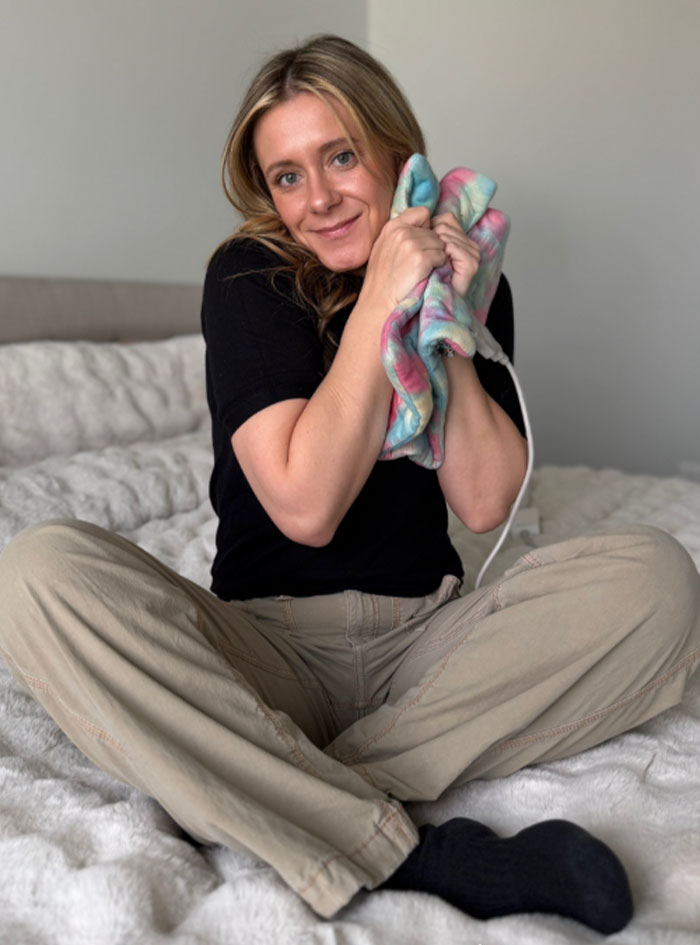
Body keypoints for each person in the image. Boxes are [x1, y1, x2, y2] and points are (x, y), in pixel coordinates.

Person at [1, 34, 699, 936]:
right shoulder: (248, 280)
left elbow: (486, 502)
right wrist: (378, 302)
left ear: (395, 156)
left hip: (430, 643)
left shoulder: (474, 286)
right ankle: (402, 848)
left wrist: (442, 313)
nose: (319, 198)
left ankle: (256, 782)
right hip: (267, 649)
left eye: (338, 157)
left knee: (657, 578)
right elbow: (305, 505)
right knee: (40, 571)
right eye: (286, 176)